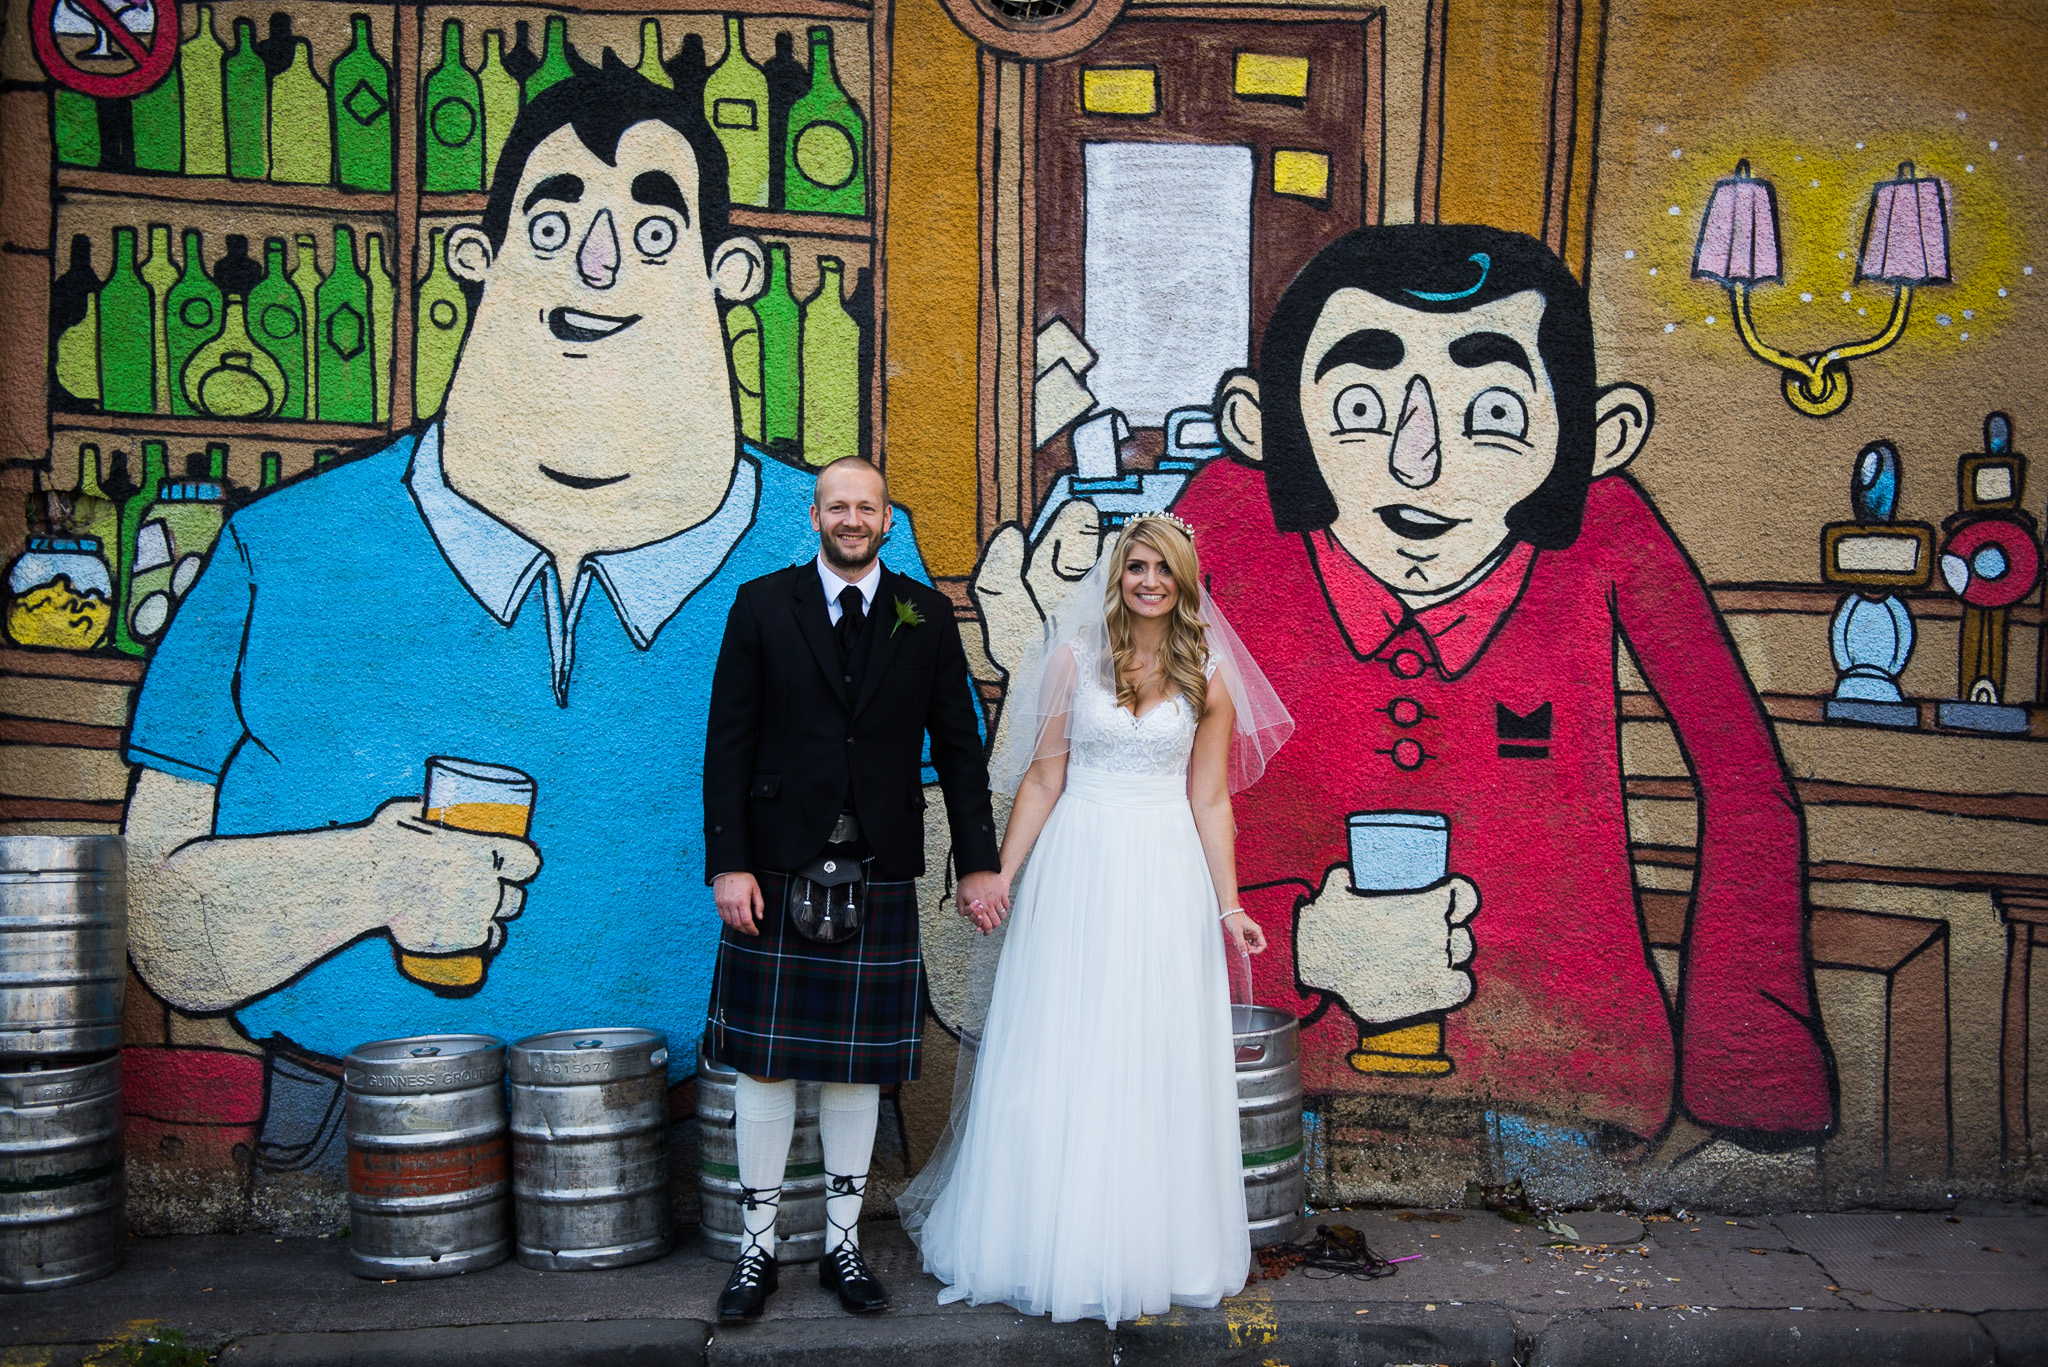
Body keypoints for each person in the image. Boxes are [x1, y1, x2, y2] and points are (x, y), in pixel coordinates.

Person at [120, 62, 944, 1181]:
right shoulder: (284, 549)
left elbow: (942, 869)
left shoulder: (854, 556)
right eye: (554, 220)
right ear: (481, 256)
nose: (597, 263)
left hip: (765, 1109)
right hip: (367, 1134)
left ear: (726, 273)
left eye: (652, 230)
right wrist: (364, 876)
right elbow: (159, 908)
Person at [1176, 224, 1834, 1153]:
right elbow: (1122, 783)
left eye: (1491, 413)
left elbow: (1745, 785)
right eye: (1361, 407)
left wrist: (1746, 1077)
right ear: (1263, 423)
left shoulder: (1604, 532)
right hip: (1272, 1064)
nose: (1419, 461)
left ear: (1599, 439)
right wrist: (1296, 948)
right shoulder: (1228, 524)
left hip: (1563, 1081)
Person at [900, 514, 1294, 1327]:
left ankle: (1158, 1245)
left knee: (1156, 1051)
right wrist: (1002, 877)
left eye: (1163, 568)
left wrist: (1229, 903)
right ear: (1118, 574)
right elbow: (1044, 781)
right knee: (1065, 1045)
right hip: (1078, 869)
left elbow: (1210, 797)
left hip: (1165, 872)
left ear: (1185, 579)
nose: (1148, 580)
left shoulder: (1207, 673)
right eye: (1135, 566)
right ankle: (1044, 1240)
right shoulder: (1075, 661)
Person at [702, 456, 1005, 1320]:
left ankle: (842, 1243)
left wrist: (978, 859)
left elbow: (957, 747)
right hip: (772, 866)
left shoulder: (924, 614)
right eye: (838, 505)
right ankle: (757, 1247)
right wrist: (729, 863)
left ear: (884, 517)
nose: (852, 518)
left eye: (866, 506)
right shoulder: (764, 604)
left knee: (853, 1071)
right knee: (762, 1067)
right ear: (815, 516)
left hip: (876, 866)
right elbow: (728, 740)